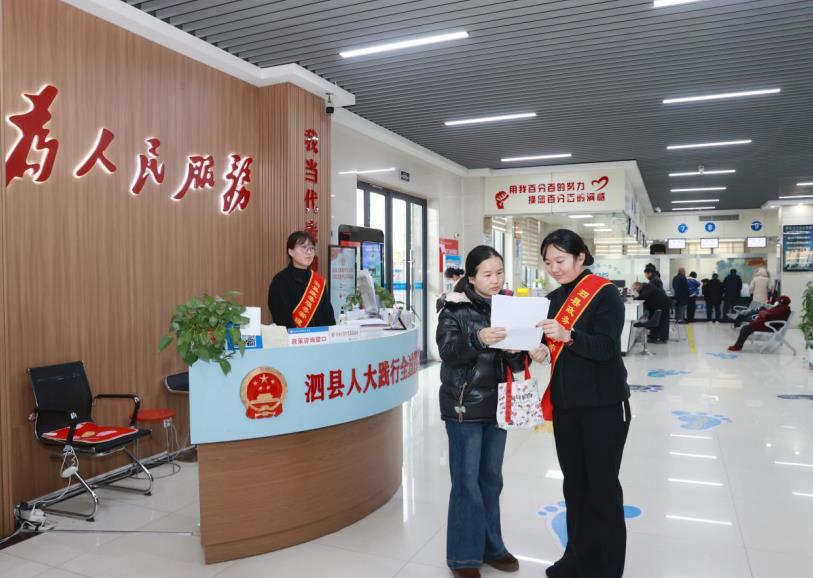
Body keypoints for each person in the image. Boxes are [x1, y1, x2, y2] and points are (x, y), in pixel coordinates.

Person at [531, 229, 631, 578]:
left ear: (581, 257)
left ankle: (605, 569)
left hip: (604, 406)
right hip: (567, 406)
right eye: (548, 262)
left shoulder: (605, 294)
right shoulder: (552, 299)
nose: (554, 268)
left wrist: (569, 335)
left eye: (560, 260)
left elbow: (606, 348)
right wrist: (541, 350)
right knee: (574, 486)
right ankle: (575, 558)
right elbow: (551, 348)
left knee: (602, 489)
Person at [436, 246, 528, 578]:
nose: (495, 280)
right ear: (471, 277)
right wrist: (478, 339)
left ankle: (492, 547)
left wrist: (516, 353)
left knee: (491, 480)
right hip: (464, 406)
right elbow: (448, 352)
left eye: (499, 272)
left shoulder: (508, 307)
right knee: (466, 482)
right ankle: (463, 557)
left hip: (499, 405)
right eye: (487, 274)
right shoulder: (453, 308)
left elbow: (516, 363)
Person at [267, 231, 336, 328]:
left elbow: (328, 316)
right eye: (304, 247)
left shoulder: (318, 281)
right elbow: (281, 318)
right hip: (293, 336)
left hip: (321, 336)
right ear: (290, 252)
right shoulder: (280, 281)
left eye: (312, 248)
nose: (309, 252)